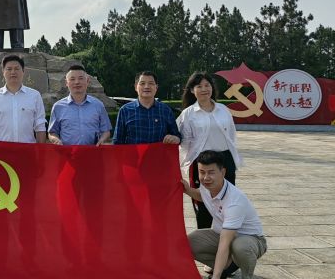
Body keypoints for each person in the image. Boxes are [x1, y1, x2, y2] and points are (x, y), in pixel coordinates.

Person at [182, 150, 266, 279]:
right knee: (188, 243)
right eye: (202, 172)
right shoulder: (207, 187)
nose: (206, 177)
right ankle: (227, 266)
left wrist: (215, 277)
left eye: (211, 172)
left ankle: (246, 275)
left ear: (223, 172)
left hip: (250, 240)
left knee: (240, 247)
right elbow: (202, 195)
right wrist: (188, 190)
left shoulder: (234, 202)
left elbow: (224, 243)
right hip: (221, 234)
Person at [177, 72, 244, 229]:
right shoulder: (188, 114)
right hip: (201, 162)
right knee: (203, 202)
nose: (204, 89)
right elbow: (184, 141)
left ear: (212, 88)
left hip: (225, 160)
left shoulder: (223, 109)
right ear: (192, 90)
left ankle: (226, 235)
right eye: (199, 86)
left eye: (207, 85)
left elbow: (231, 135)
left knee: (226, 200)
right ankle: (204, 236)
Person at [0, 55, 46, 143]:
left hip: (27, 148)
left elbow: (40, 126)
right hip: (1, 149)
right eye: (9, 69)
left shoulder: (35, 95)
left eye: (17, 69)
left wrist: (40, 150)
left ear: (23, 71)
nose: (13, 72)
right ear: (3, 71)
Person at [48, 64, 112, 145]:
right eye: (72, 79)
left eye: (81, 78)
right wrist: (55, 140)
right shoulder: (58, 107)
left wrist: (102, 140)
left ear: (87, 81)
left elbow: (106, 131)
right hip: (67, 152)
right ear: (66, 83)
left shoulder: (98, 105)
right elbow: (52, 132)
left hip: (92, 151)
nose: (77, 82)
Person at [112, 71, 181, 145]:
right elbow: (117, 142)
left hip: (159, 152)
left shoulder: (166, 110)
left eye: (151, 83)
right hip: (133, 153)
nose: (147, 87)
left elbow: (177, 136)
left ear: (156, 87)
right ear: (136, 87)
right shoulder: (125, 110)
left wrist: (175, 138)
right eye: (142, 83)